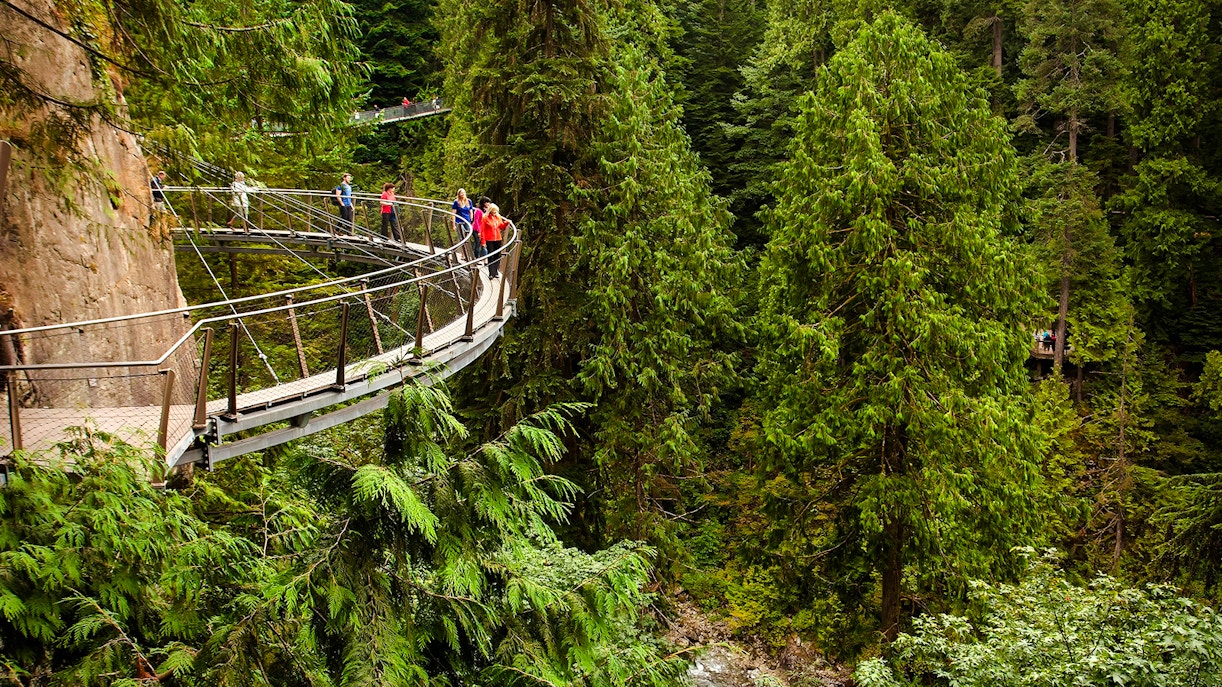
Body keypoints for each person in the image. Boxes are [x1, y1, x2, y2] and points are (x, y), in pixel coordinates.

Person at [481, 203, 508, 279]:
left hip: (498, 239)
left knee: (497, 255)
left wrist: (506, 223)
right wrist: (483, 241)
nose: (495, 213)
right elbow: (482, 230)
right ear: (490, 211)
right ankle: (491, 273)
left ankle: (495, 271)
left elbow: (501, 226)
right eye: (494, 211)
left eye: (496, 211)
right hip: (489, 239)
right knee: (491, 255)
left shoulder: (498, 217)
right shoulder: (485, 218)